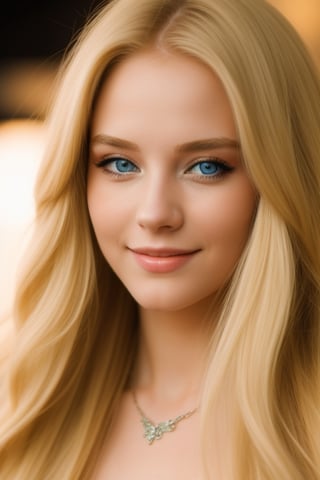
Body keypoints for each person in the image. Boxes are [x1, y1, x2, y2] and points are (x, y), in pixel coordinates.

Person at [0, 0, 319, 478]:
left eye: (207, 166)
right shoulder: (23, 403)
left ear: (280, 178)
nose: (155, 214)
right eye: (119, 164)